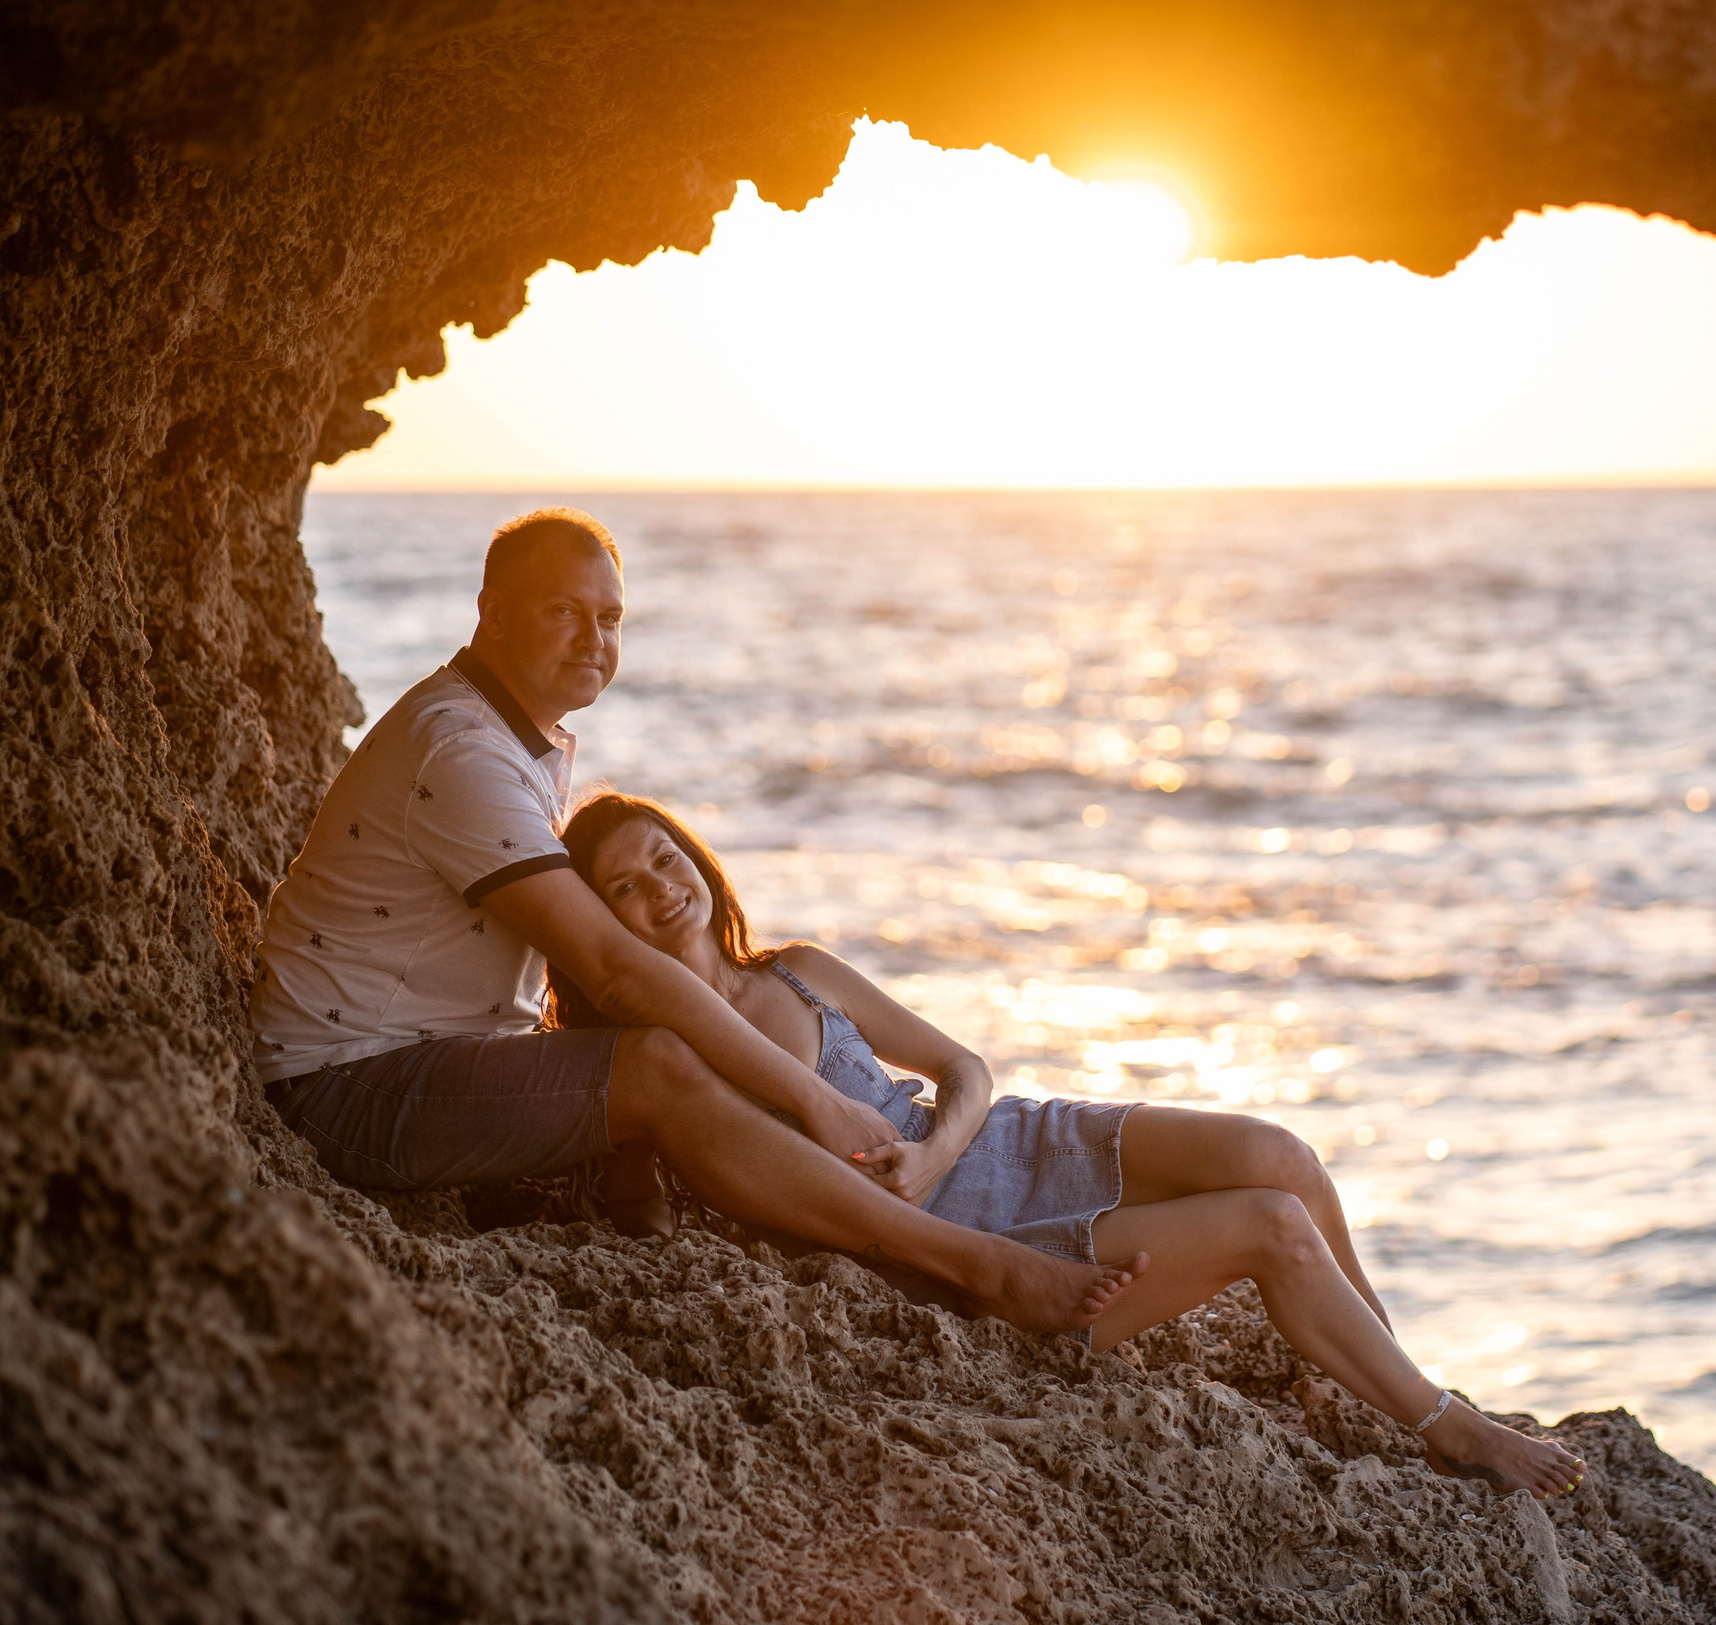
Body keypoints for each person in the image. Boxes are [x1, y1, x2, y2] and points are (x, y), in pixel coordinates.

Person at [248, 508, 1144, 1337]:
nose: (593, 639)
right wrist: (816, 1100)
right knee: (657, 1063)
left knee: (654, 1058)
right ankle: (976, 1266)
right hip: (344, 1089)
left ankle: (694, 1216)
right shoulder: (463, 750)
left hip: (419, 1063)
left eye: (609, 617)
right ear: (490, 610)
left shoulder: (511, 733)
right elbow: (612, 966)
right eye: (562, 611)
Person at [553, 791, 1588, 1499]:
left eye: (662, 854)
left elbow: (964, 1066)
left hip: (1003, 1140)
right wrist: (913, 1187)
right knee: (1271, 1227)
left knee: (1283, 1155)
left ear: (697, 856)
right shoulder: (671, 1057)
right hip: (975, 1233)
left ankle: (1396, 1372)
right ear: (599, 930)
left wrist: (935, 1145)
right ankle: (1447, 1426)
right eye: (624, 888)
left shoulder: (801, 969)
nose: (660, 885)